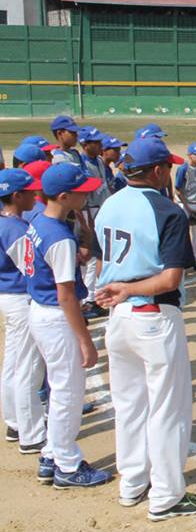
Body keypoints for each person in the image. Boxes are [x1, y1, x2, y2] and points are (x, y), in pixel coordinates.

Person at [93, 138, 196, 518]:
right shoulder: (167, 210)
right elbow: (170, 279)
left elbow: (102, 265)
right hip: (153, 316)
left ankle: (132, 484)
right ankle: (166, 495)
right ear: (159, 171)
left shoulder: (108, 205)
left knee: (129, 406)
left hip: (118, 319)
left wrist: (120, 288)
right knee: (168, 408)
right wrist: (130, 287)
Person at [14, 163, 110, 488]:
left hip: (39, 311)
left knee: (59, 388)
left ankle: (51, 454)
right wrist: (86, 339)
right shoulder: (59, 237)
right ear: (66, 196)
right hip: (57, 317)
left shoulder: (39, 221)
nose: (88, 194)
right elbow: (67, 295)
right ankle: (67, 466)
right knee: (69, 392)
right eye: (82, 191)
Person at [0, 169, 46, 454]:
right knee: (28, 368)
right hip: (20, 300)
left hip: (6, 297)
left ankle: (15, 422)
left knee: (13, 364)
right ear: (16, 196)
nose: (35, 195)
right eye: (30, 192)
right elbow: (29, 270)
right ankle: (31, 434)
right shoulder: (15, 229)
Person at [78, 127, 111, 319]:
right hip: (91, 210)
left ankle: (94, 296)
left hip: (102, 208)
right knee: (91, 259)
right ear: (84, 145)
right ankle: (90, 300)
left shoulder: (98, 161)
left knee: (102, 254)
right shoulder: (82, 163)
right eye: (95, 142)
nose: (100, 145)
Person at [175, 143, 196, 271]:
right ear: (190, 155)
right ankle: (182, 261)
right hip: (185, 204)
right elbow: (178, 190)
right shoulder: (183, 169)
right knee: (183, 232)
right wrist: (187, 208)